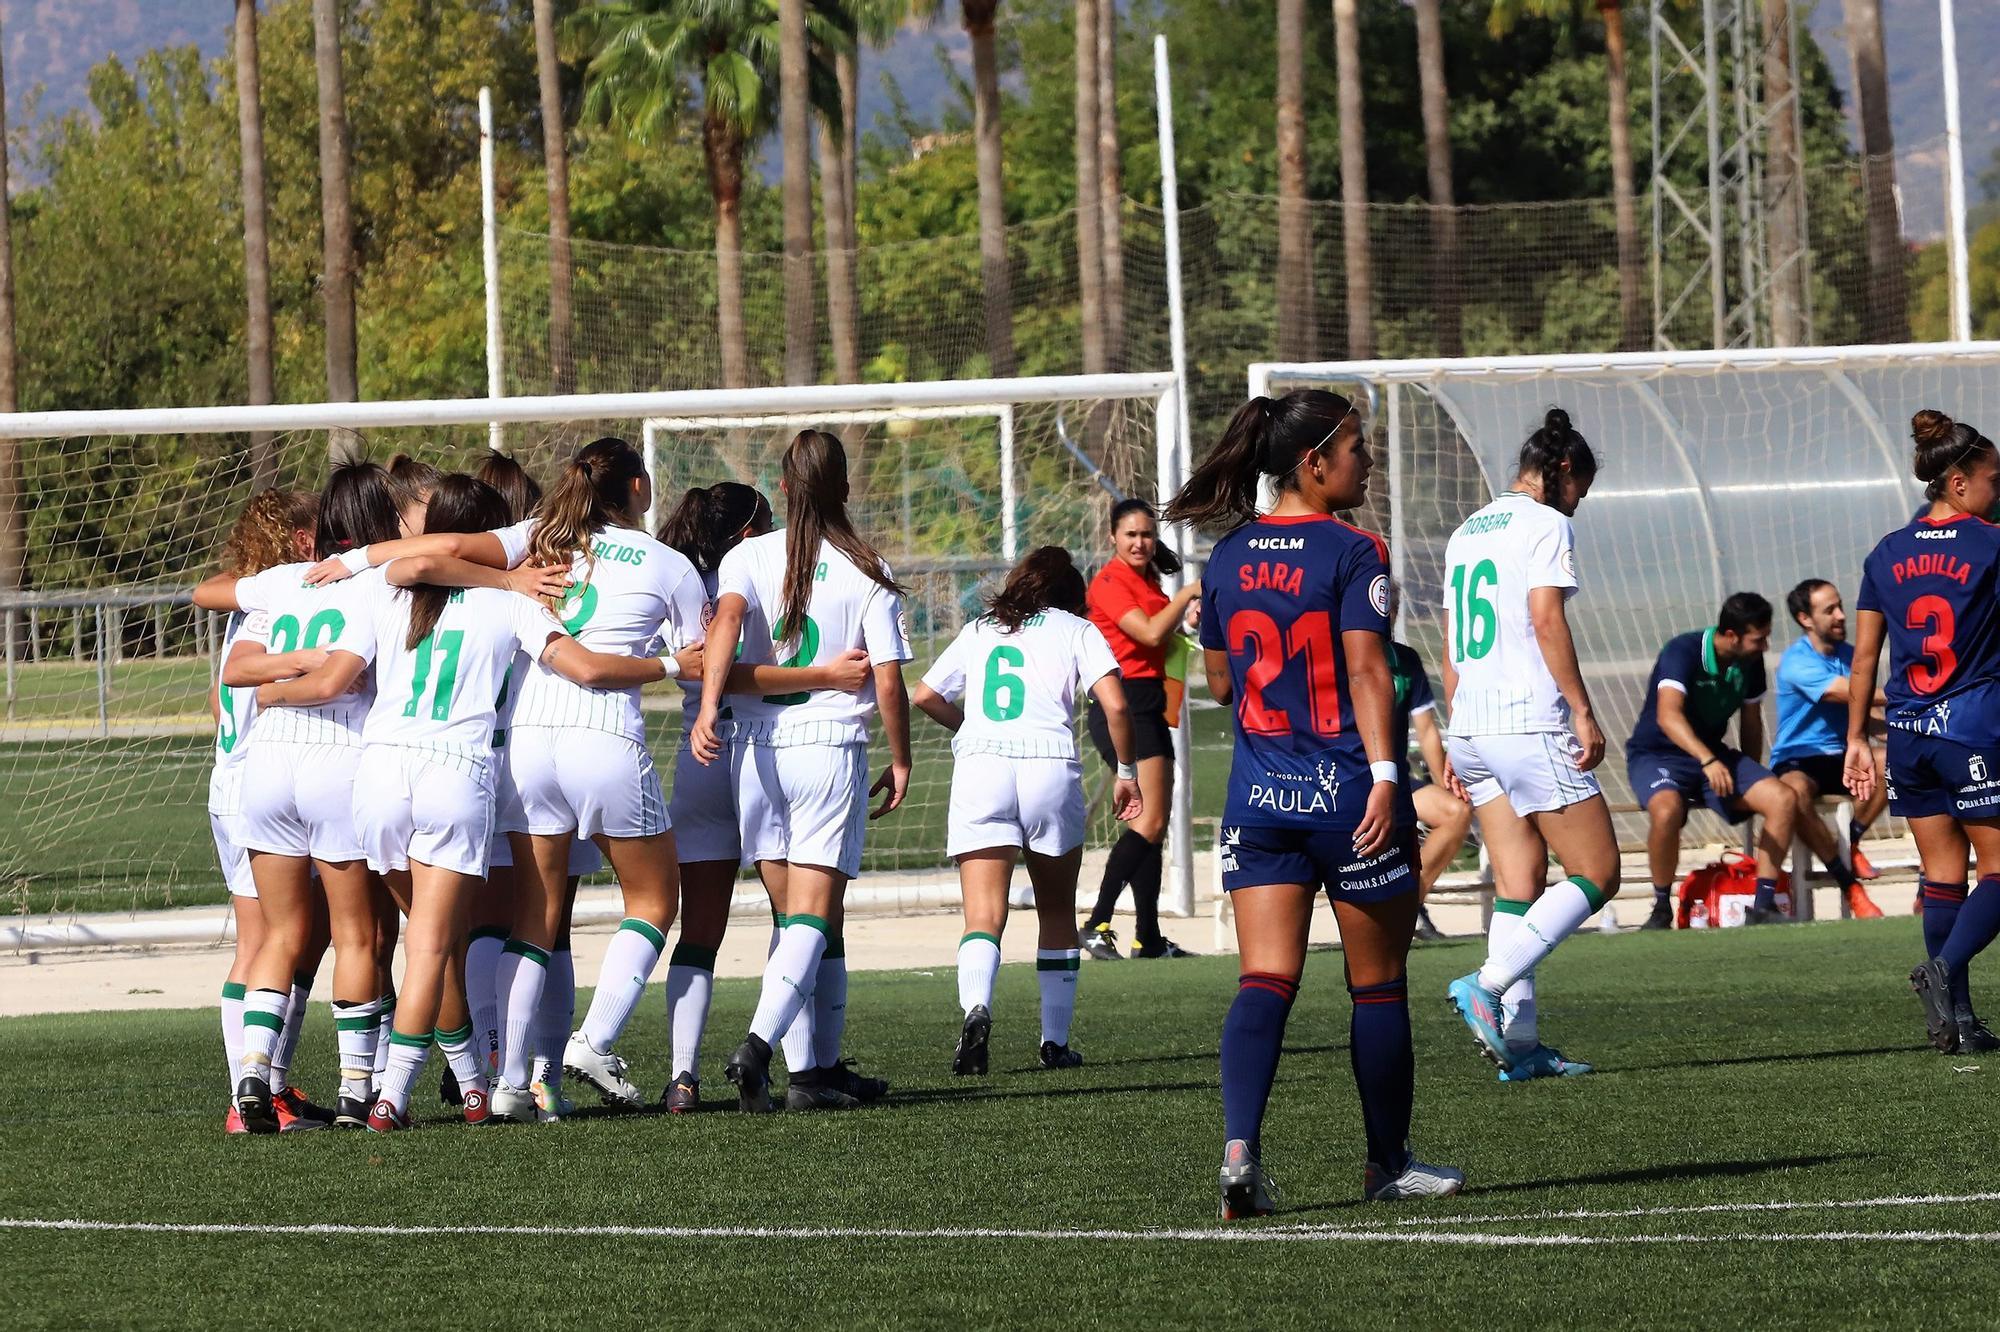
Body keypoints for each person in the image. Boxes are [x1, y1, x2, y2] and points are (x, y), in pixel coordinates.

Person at [280, 474, 659, 1129]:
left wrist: (270, 691)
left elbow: (365, 632)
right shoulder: (509, 598)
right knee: (433, 948)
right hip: (453, 776)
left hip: (377, 775)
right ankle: (391, 1097)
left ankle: (470, 1082)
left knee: (437, 946)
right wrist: (671, 666)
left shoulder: (386, 589)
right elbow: (586, 669)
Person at [1165, 389, 1462, 1217]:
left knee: (1264, 977)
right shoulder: (1353, 550)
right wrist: (1386, 775)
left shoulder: (1223, 560)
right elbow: (1371, 672)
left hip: (1258, 801)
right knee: (1377, 986)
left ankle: (1239, 1151)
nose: (1367, 461)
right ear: (1314, 461)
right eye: (1358, 447)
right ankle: (1386, 1163)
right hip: (1346, 800)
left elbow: (1220, 683)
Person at [692, 429, 914, 1113]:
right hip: (826, 746)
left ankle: (814, 1072)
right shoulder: (866, 566)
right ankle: (758, 1047)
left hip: (756, 749)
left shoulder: (747, 554)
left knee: (803, 920)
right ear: (845, 487)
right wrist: (902, 757)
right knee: (815, 915)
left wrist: (707, 707)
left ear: (783, 489)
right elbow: (888, 681)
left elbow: (724, 628)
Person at [191, 462, 409, 1132]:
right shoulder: (379, 583)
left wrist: (280, 675)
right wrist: (317, 667)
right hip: (334, 762)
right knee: (358, 934)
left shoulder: (279, 583)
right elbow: (341, 674)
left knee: (281, 934)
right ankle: (354, 1093)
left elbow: (235, 667)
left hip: (264, 767)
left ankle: (253, 1078)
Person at [654, 480, 872, 1111]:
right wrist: (826, 675)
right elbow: (735, 672)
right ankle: (803, 1065)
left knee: (700, 929)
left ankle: (683, 1077)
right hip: (748, 744)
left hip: (708, 757)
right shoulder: (751, 575)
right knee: (806, 913)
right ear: (750, 532)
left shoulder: (679, 578)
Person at [910, 546, 1142, 1075]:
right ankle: (1054, 1043)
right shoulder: (1077, 630)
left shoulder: (979, 629)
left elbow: (924, 694)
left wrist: (973, 729)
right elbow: (1118, 704)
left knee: (983, 915)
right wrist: (1127, 773)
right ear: (1070, 595)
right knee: (1056, 910)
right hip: (1048, 766)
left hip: (982, 766)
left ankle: (976, 1008)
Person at [1438, 409, 1616, 1080]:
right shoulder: (1547, 524)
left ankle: (1520, 1043)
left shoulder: (1467, 529)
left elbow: (1456, 641)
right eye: (1581, 490)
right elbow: (1545, 619)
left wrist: (1459, 736)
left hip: (1474, 725)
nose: (1579, 505)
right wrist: (1581, 709)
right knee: (1598, 873)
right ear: (1563, 472)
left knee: (1518, 882)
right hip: (1526, 721)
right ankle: (1485, 985)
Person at [1852, 410, 2000, 1055]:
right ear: (1960, 482)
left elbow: (1864, 658)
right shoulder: (1991, 544)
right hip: (1972, 727)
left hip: (1906, 734)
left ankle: (1959, 1021)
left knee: (1943, 874)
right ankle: (1942, 973)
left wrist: (1858, 737)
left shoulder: (1886, 550)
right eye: (1996, 477)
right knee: (1996, 872)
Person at [209, 488, 336, 1134]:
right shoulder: (290, 596)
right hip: (261, 782)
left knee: (288, 940)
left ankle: (269, 1085)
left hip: (234, 781)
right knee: (268, 942)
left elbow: (217, 697)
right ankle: (247, 1097)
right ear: (300, 541)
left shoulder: (253, 602)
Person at [1626, 593, 1795, 929]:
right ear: (1731, 635)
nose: (1764, 646)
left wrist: (1753, 775)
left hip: (1712, 757)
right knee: (1667, 809)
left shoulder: (1751, 662)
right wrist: (1707, 760)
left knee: (1783, 797)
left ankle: (1762, 907)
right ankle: (1661, 908)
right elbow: (1668, 717)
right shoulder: (1683, 651)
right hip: (1658, 754)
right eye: (1758, 639)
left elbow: (1750, 720)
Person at [1080, 498, 1199, 960]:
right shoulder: (1109, 581)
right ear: (1113, 537)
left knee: (1155, 825)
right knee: (1147, 820)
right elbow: (1147, 634)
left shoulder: (1148, 580)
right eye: (1130, 534)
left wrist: (1184, 621)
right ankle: (1095, 922)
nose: (1140, 542)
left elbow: (1160, 638)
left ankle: (1147, 937)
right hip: (1121, 706)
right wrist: (1187, 595)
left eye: (1147, 534)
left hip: (1148, 705)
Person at [1773, 578, 1886, 918]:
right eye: (1829, 610)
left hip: (1843, 756)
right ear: (1805, 619)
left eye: (1840, 606)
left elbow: (1870, 715)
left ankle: (1849, 841)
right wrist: (1911, 691)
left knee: (1897, 760)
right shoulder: (1796, 661)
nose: (1841, 615)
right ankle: (1849, 884)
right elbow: (1844, 692)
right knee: (1793, 791)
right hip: (1799, 758)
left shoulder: (1850, 655)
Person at [1384, 586, 1470, 942]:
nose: (1385, 613)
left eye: (1391, 607)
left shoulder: (1405, 660)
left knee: (1457, 811)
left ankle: (1406, 907)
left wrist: (1444, 781)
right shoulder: (1339, 657)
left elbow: (1428, 731)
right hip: (1345, 782)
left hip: (1396, 782)